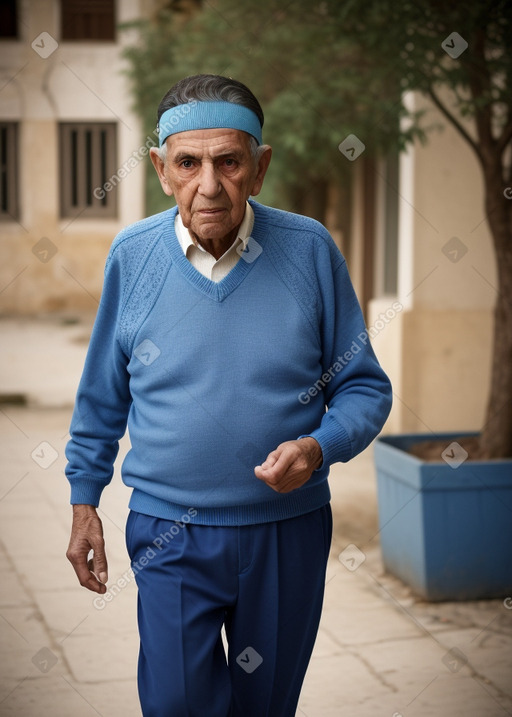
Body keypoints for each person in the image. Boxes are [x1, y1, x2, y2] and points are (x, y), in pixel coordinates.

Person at [65, 73, 392, 717]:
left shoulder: (309, 251)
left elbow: (363, 387)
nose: (208, 185)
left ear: (260, 167)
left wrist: (319, 446)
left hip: (285, 533)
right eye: (188, 163)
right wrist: (84, 503)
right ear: (161, 170)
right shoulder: (133, 257)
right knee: (176, 703)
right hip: (169, 535)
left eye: (229, 162)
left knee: (264, 707)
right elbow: (102, 397)